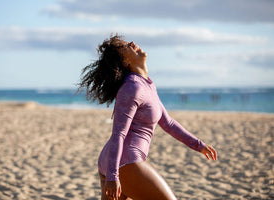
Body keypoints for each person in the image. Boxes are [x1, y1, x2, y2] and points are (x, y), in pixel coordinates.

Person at [78, 35, 217, 200]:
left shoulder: (146, 84)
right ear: (125, 62)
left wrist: (198, 145)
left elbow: (168, 122)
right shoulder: (132, 88)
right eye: (125, 46)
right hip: (124, 163)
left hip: (116, 162)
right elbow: (118, 134)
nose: (132, 43)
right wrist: (113, 176)